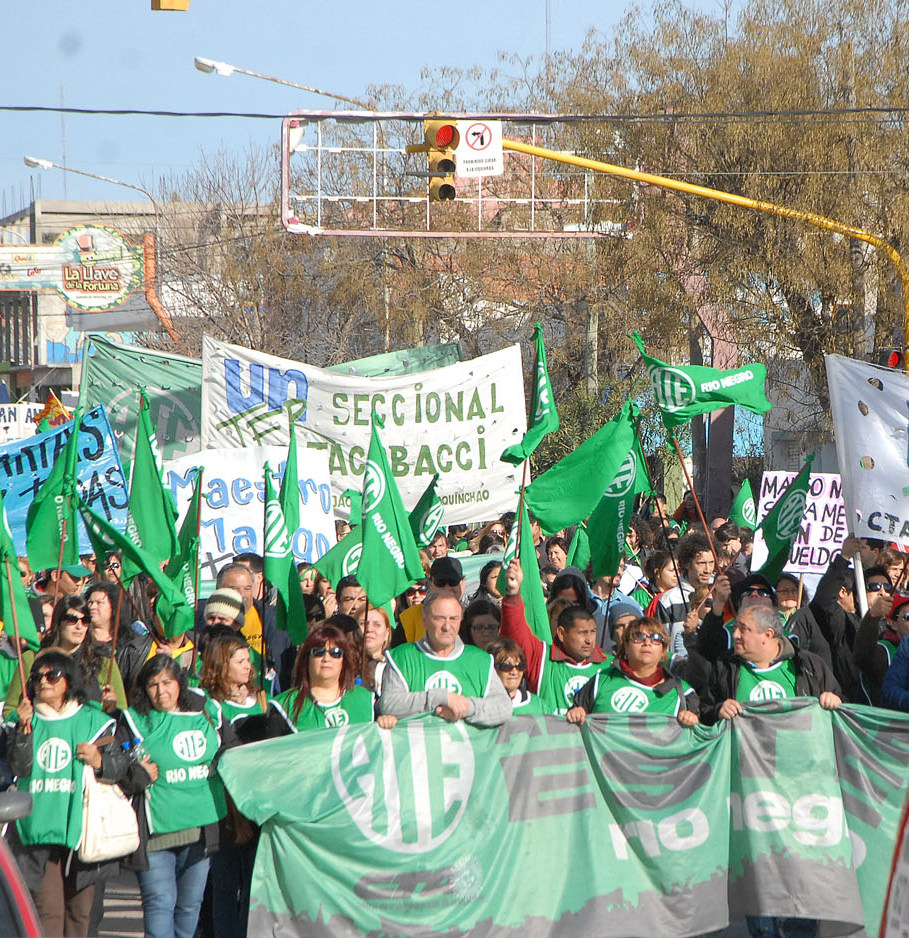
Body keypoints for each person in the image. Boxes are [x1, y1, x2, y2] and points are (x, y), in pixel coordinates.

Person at [119, 655, 234, 938]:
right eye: (153, 685)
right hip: (155, 835)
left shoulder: (206, 715)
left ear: (179, 684)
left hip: (200, 832)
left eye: (167, 682)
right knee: (160, 904)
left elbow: (233, 751)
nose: (162, 692)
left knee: (189, 909)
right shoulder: (133, 721)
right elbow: (116, 771)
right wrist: (137, 775)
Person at [7, 651, 117, 938]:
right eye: (37, 677)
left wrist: (100, 760)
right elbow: (19, 767)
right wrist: (22, 731)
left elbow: (122, 768)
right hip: (37, 834)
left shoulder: (94, 720)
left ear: (69, 681)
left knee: (80, 913)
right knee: (48, 913)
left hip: (83, 831)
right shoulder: (22, 720)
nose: (43, 681)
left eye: (52, 675)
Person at [198, 634, 264, 938]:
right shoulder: (209, 706)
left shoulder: (262, 700)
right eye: (239, 661)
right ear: (221, 665)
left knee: (253, 887)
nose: (247, 667)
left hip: (257, 805)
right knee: (225, 887)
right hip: (224, 806)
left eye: (247, 660)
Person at [378, 592, 512, 726]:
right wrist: (441, 698)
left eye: (453, 618)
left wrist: (466, 707)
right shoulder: (402, 657)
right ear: (425, 619)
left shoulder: (480, 660)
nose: (447, 627)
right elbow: (389, 704)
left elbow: (503, 708)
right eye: (439, 618)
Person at [699, 605, 842, 726]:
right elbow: (703, 711)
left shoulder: (807, 665)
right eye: (735, 628)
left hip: (798, 755)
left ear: (768, 634)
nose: (735, 634)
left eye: (743, 629)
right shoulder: (724, 666)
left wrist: (835, 701)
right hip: (745, 756)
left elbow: (842, 708)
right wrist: (718, 711)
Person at [500, 560, 611, 715]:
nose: (588, 640)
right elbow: (516, 634)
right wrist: (513, 593)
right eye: (581, 633)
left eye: (592, 632)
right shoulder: (542, 657)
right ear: (561, 633)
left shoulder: (609, 667)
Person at [4, 596, 126, 719]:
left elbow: (122, 711)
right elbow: (10, 710)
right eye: (72, 619)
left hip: (88, 735)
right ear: (58, 622)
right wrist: (22, 718)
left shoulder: (103, 660)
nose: (79, 626)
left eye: (85, 620)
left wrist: (112, 709)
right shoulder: (32, 658)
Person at [567, 617, 699, 724]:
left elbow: (697, 741)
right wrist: (576, 713)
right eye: (638, 636)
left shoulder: (682, 692)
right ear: (626, 645)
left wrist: (693, 720)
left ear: (663, 650)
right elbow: (574, 720)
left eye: (656, 638)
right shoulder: (601, 680)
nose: (647, 642)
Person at [267, 626, 385, 733]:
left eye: (336, 653)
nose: (326, 658)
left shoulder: (366, 700)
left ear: (344, 661)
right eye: (318, 652)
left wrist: (388, 723)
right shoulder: (284, 706)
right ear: (306, 659)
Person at [853, 590, 909, 706]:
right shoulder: (884, 652)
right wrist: (872, 617)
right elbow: (862, 656)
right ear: (892, 622)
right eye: (908, 616)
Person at [398, 556, 466, 643]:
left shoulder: (473, 616)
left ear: (462, 582)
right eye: (440, 582)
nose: (447, 587)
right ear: (430, 583)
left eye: (453, 582)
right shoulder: (409, 618)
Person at [487, 638, 545, 714]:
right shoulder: (482, 704)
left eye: (520, 666)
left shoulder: (539, 705)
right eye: (506, 666)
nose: (514, 672)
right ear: (493, 669)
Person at [360, 606, 394, 695]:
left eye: (377, 625)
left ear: (387, 633)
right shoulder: (341, 663)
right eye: (363, 623)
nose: (369, 629)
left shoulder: (396, 666)